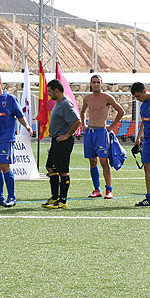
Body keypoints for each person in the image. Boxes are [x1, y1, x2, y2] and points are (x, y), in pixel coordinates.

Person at [0, 71, 32, 207]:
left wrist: (27, 126)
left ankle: (12, 197)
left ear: (0, 82)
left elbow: (20, 115)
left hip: (5, 139)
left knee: (5, 166)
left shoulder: (10, 99)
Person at [80, 74, 125, 199]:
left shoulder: (107, 98)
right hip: (90, 133)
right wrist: (84, 124)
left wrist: (112, 126)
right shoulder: (87, 98)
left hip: (101, 133)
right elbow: (82, 111)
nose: (95, 84)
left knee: (104, 161)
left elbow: (121, 111)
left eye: (98, 82)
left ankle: (109, 190)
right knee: (92, 161)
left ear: (101, 83)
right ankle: (96, 189)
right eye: (93, 82)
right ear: (90, 84)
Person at [42, 79, 82, 210]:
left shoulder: (65, 103)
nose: (48, 94)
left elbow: (77, 121)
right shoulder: (59, 103)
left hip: (63, 141)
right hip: (56, 140)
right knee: (50, 167)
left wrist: (67, 135)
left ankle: (63, 200)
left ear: (56, 91)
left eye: (50, 91)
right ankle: (55, 197)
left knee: (63, 170)